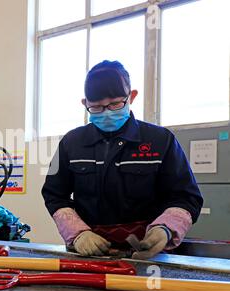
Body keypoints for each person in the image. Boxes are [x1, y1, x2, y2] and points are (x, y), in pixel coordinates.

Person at [41, 60, 203, 260]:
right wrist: (77, 234)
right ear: (85, 104)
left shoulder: (161, 140)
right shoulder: (71, 143)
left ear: (131, 96)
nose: (107, 112)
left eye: (115, 104)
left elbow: (186, 197)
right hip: (89, 253)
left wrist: (166, 229)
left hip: (150, 253)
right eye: (97, 108)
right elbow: (55, 195)